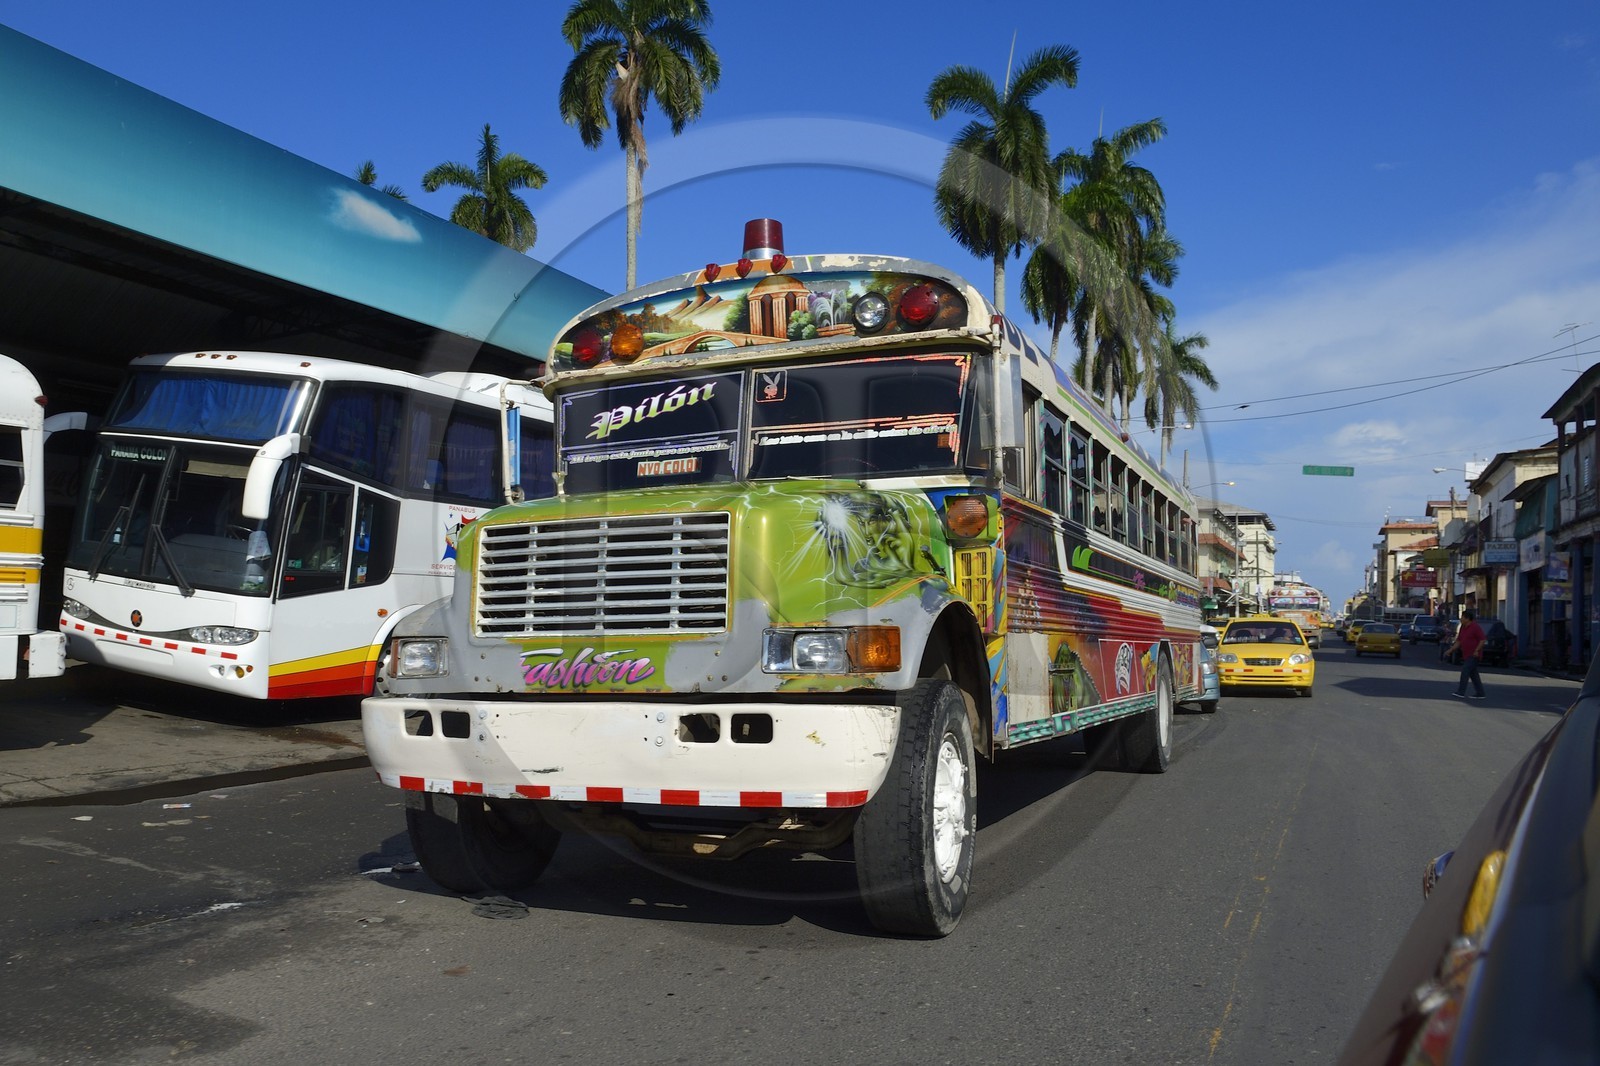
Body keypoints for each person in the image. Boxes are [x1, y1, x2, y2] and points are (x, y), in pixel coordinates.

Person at [1446, 609, 1487, 699]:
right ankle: (1480, 693)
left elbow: (1482, 639)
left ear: (1467, 618)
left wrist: (1477, 650)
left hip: (1474, 655)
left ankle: (1461, 692)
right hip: (1466, 654)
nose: (1461, 619)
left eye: (1462, 617)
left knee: (1465, 670)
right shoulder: (1462, 628)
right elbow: (1459, 641)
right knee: (1473, 674)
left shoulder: (1475, 627)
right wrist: (1451, 650)